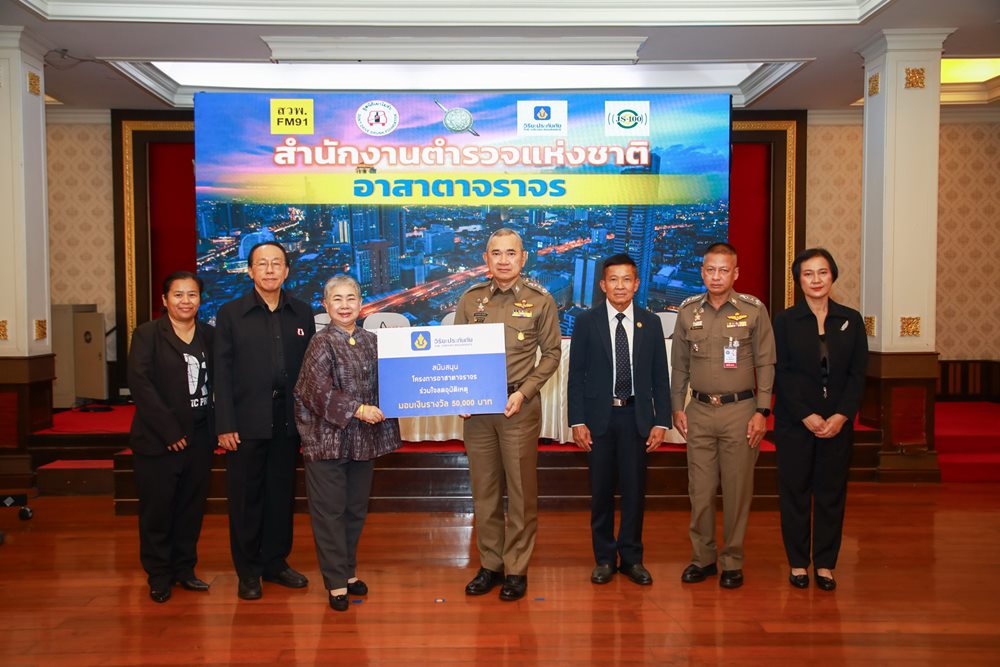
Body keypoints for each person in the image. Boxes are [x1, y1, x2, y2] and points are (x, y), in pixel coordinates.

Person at [454, 228, 561, 601]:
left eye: (510, 253)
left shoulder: (540, 300)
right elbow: (456, 353)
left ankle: (516, 568)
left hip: (518, 406)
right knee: (484, 491)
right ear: (486, 259)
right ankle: (490, 565)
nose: (503, 260)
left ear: (523, 257)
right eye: (496, 253)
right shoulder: (470, 299)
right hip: (478, 411)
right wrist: (460, 393)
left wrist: (525, 392)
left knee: (520, 492)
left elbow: (551, 354)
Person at [670, 242, 775, 589]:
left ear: (735, 273)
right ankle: (702, 558)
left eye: (724, 270)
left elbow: (766, 363)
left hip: (740, 412)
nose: (716, 276)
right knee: (699, 492)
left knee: (736, 491)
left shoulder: (753, 310)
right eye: (710, 270)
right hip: (699, 411)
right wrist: (677, 406)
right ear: (702, 272)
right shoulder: (688, 311)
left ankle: (732, 561)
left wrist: (762, 411)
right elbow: (679, 365)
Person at [215, 241, 316, 600]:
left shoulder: (302, 312)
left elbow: (310, 373)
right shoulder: (231, 313)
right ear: (250, 271)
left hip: (287, 421)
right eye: (262, 264)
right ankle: (248, 571)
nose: (270, 270)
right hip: (245, 421)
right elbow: (222, 373)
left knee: (280, 495)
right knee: (246, 498)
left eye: (277, 264)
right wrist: (225, 424)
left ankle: (275, 562)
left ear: (287, 271)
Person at [294, 275, 401, 612]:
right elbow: (316, 392)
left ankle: (349, 571)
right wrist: (358, 409)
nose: (344, 305)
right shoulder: (320, 342)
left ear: (360, 303)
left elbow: (396, 380)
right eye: (337, 299)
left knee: (355, 510)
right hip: (326, 440)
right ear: (325, 305)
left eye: (350, 298)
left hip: (363, 441)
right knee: (330, 513)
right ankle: (336, 581)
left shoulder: (371, 340)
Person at [567, 254, 671, 586]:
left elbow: (660, 377)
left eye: (627, 279)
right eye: (613, 279)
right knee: (600, 492)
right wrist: (577, 420)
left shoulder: (650, 322)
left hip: (636, 417)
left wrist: (661, 421)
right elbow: (576, 376)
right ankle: (604, 558)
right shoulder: (587, 321)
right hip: (599, 419)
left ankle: (631, 558)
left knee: (634, 491)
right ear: (603, 285)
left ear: (637, 284)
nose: (620, 286)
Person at [773, 248, 867, 591]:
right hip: (795, 423)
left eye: (822, 272)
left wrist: (842, 415)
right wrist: (806, 415)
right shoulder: (784, 321)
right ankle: (798, 563)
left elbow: (858, 374)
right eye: (808, 274)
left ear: (833, 276)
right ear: (798, 281)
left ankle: (825, 564)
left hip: (837, 424)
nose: (816, 280)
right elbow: (780, 373)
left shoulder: (850, 319)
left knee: (831, 494)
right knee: (795, 493)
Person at [127, 271, 214, 603]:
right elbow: (141, 385)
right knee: (158, 510)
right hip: (159, 440)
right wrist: (170, 431)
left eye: (192, 294)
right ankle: (159, 575)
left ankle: (184, 569)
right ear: (164, 300)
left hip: (200, 437)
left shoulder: (209, 335)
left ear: (200, 300)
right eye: (178, 295)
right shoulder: (148, 334)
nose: (185, 301)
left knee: (191, 508)